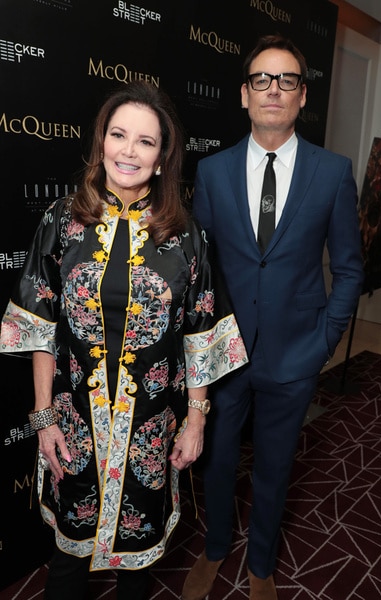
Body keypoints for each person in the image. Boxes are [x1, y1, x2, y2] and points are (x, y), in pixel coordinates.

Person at [0, 80, 248, 600]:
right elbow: (39, 327)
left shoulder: (185, 236)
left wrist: (196, 421)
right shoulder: (61, 221)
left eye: (145, 141)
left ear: (162, 157)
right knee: (67, 564)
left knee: (137, 572)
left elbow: (203, 335)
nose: (128, 151)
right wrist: (43, 420)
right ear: (102, 143)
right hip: (74, 425)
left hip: (150, 431)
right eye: (118, 135)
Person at [182, 34, 364, 600]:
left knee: (275, 467)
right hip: (226, 355)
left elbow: (350, 269)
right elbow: (200, 268)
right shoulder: (211, 172)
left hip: (296, 354)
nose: (273, 90)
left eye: (287, 80)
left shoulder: (333, 172)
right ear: (243, 94)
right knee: (215, 465)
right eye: (261, 79)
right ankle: (215, 549)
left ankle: (261, 563)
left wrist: (324, 343)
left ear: (302, 95)